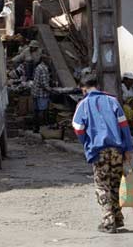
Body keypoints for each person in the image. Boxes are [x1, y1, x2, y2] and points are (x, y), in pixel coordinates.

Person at [72, 73, 133, 233]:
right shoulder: (113, 101)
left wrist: (87, 143)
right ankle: (118, 218)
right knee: (115, 184)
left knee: (102, 185)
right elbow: (124, 126)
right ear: (97, 86)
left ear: (83, 89)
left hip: (99, 150)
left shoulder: (83, 104)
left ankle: (108, 221)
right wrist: (128, 149)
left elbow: (78, 128)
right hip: (117, 150)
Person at [32, 55, 51, 133]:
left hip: (35, 92)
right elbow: (43, 83)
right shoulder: (44, 69)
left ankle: (35, 128)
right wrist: (51, 90)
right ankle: (42, 128)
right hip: (41, 93)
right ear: (45, 60)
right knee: (42, 110)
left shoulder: (38, 67)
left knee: (36, 111)